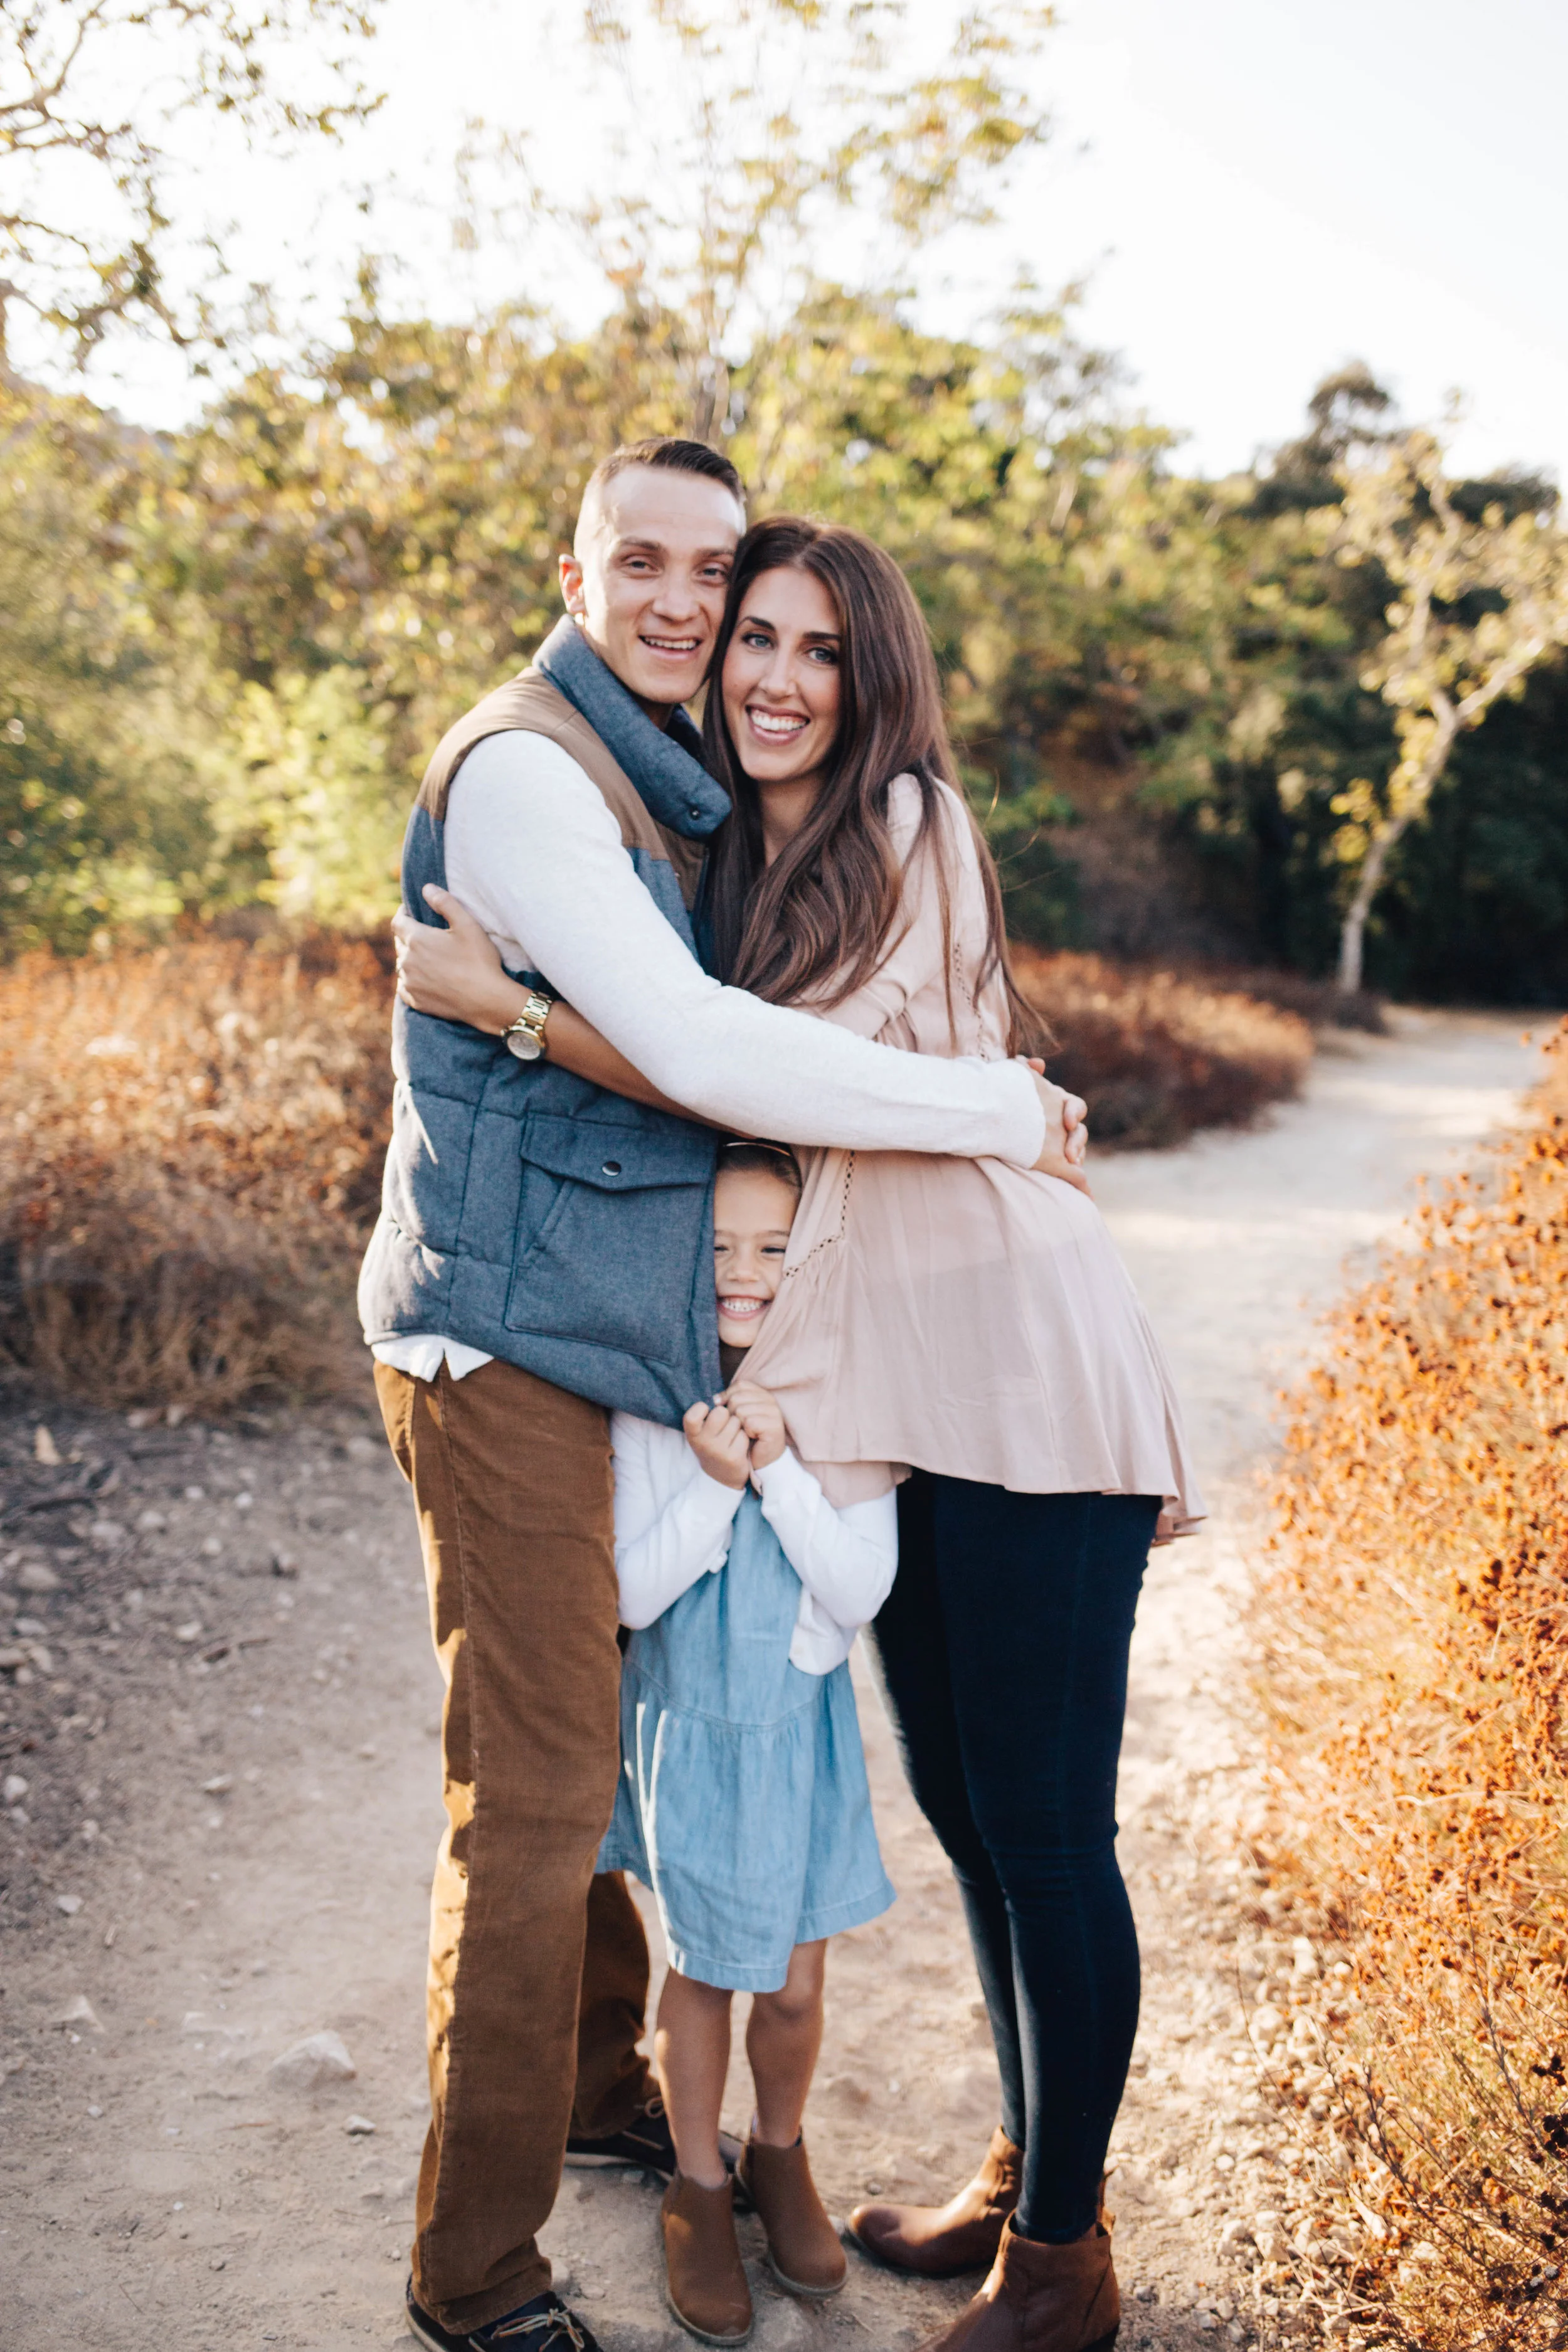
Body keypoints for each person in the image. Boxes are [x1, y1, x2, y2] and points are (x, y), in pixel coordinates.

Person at [398, 512, 1203, 2352]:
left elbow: (745, 1078)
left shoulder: (903, 823)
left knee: (1048, 1824)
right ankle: (1028, 2172)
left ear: (870, 679)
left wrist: (518, 1012)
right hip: (889, 1377)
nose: (768, 672)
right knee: (969, 1814)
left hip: (1010, 1351)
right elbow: (725, 1069)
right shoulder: (721, 856)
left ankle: (1065, 2258)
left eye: (814, 648)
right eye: (751, 634)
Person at [602, 1140, 897, 2345]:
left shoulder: (848, 1394)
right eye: (718, 1243)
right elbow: (630, 1592)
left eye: (774, 1246)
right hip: (692, 1728)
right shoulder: (646, 1398)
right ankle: (698, 2185)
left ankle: (779, 2154)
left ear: (812, 1260)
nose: (744, 1269)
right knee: (707, 1970)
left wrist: (779, 1470)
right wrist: (717, 1479)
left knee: (796, 1977)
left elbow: (860, 1584)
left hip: (796, 1734)